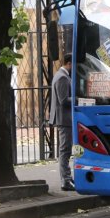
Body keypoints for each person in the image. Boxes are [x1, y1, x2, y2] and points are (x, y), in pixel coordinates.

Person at [48, 53, 74, 191]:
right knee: (65, 150)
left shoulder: (61, 76)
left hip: (64, 118)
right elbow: (63, 100)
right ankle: (65, 180)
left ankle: (67, 177)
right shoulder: (62, 77)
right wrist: (77, 98)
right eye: (73, 64)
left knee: (66, 149)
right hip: (64, 119)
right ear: (69, 63)